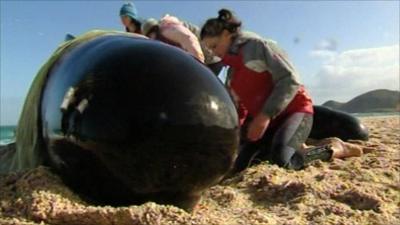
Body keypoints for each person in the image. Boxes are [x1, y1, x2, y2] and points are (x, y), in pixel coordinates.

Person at [200, 9, 360, 172]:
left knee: (284, 161)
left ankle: (335, 149)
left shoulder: (258, 47)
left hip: (296, 112)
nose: (214, 53)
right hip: (267, 123)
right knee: (240, 166)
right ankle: (293, 145)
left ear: (227, 34)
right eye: (209, 50)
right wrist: (236, 134)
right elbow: (239, 107)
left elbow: (290, 79)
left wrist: (264, 116)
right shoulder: (231, 71)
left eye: (214, 46)